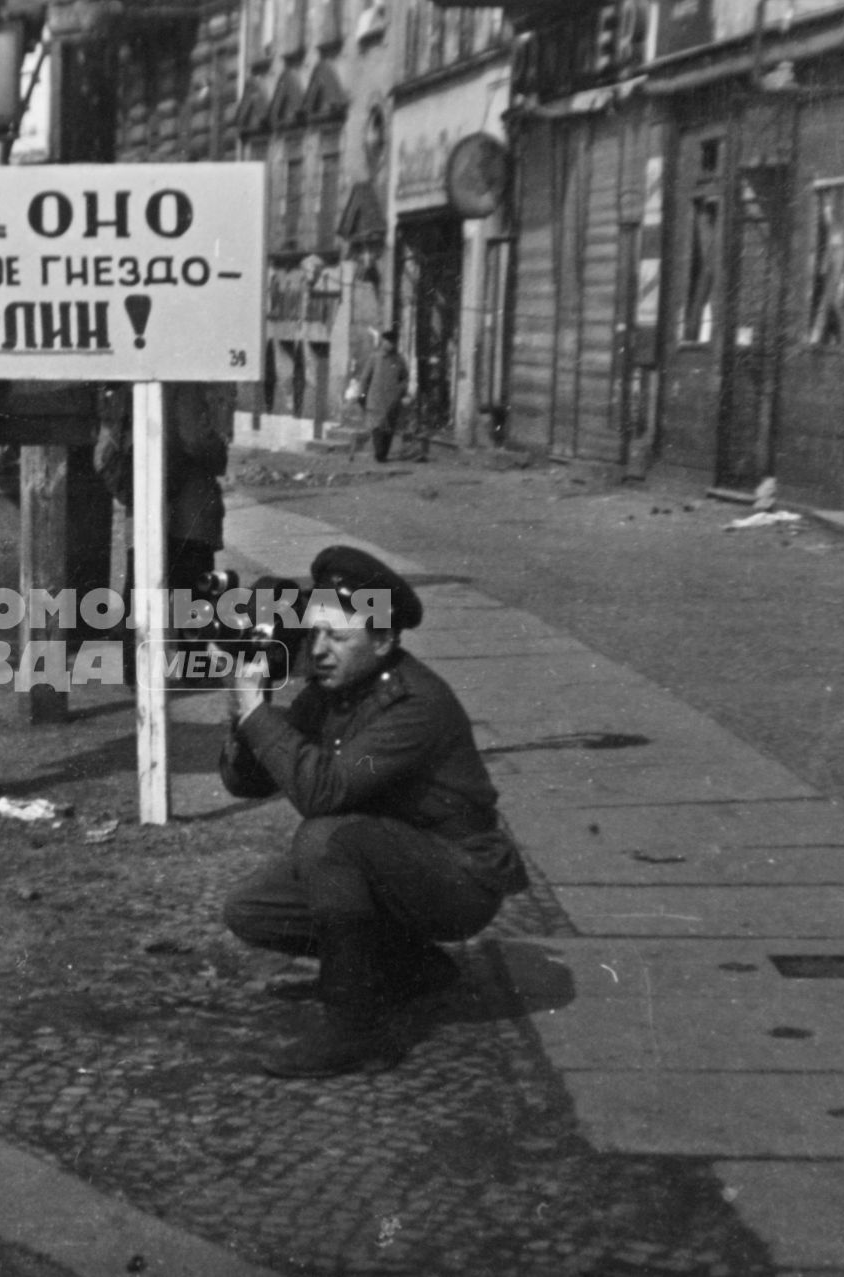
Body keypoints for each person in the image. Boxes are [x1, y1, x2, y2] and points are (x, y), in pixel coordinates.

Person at [218, 546, 530, 1078]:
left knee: (327, 837)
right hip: (395, 863)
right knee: (253, 908)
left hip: (458, 878)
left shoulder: (413, 706)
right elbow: (245, 783)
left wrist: (257, 717)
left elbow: (323, 791)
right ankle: (410, 969)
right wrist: (252, 711)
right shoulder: (334, 691)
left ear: (384, 640)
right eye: (314, 633)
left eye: (338, 637)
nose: (318, 651)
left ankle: (355, 1027)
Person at [95, 382, 232, 676]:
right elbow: (196, 439)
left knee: (141, 590)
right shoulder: (181, 384)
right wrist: (219, 449)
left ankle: (135, 670)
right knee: (194, 593)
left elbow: (106, 447)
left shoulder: (127, 385)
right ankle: (196, 671)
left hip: (145, 507)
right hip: (187, 512)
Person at [354, 328, 410, 463]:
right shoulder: (375, 358)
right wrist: (362, 394)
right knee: (377, 428)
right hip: (376, 401)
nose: (391, 345)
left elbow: (405, 378)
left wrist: (401, 390)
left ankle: (383, 454)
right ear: (383, 342)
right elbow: (365, 378)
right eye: (388, 341)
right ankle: (379, 454)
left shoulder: (399, 360)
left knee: (389, 430)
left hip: (392, 402)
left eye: (393, 342)